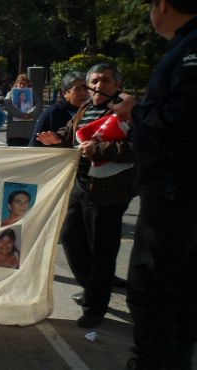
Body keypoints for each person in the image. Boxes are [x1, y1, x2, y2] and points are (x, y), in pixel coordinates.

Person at [110, 0, 197, 369]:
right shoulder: (184, 47)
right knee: (178, 287)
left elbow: (185, 115)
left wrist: (136, 110)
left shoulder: (191, 49)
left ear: (162, 4)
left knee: (151, 284)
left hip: (174, 191)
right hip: (176, 189)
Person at [36, 62, 134, 329]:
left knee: (102, 250)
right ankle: (92, 289)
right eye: (95, 81)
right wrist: (56, 139)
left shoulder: (126, 112)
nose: (98, 86)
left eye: (105, 80)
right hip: (80, 186)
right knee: (70, 239)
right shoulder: (85, 109)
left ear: (117, 86)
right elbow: (70, 135)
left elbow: (138, 147)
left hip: (108, 192)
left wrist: (99, 149)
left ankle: (94, 307)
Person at [29, 72, 88, 147]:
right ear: (64, 93)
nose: (83, 93)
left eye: (86, 89)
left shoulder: (92, 110)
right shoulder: (52, 113)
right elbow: (34, 146)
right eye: (77, 89)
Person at [4, 74, 42, 146]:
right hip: (14, 133)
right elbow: (7, 105)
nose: (22, 85)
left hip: (28, 132)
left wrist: (29, 114)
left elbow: (38, 106)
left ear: (28, 84)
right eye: (20, 83)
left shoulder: (33, 95)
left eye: (24, 84)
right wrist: (20, 114)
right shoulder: (10, 94)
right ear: (16, 84)